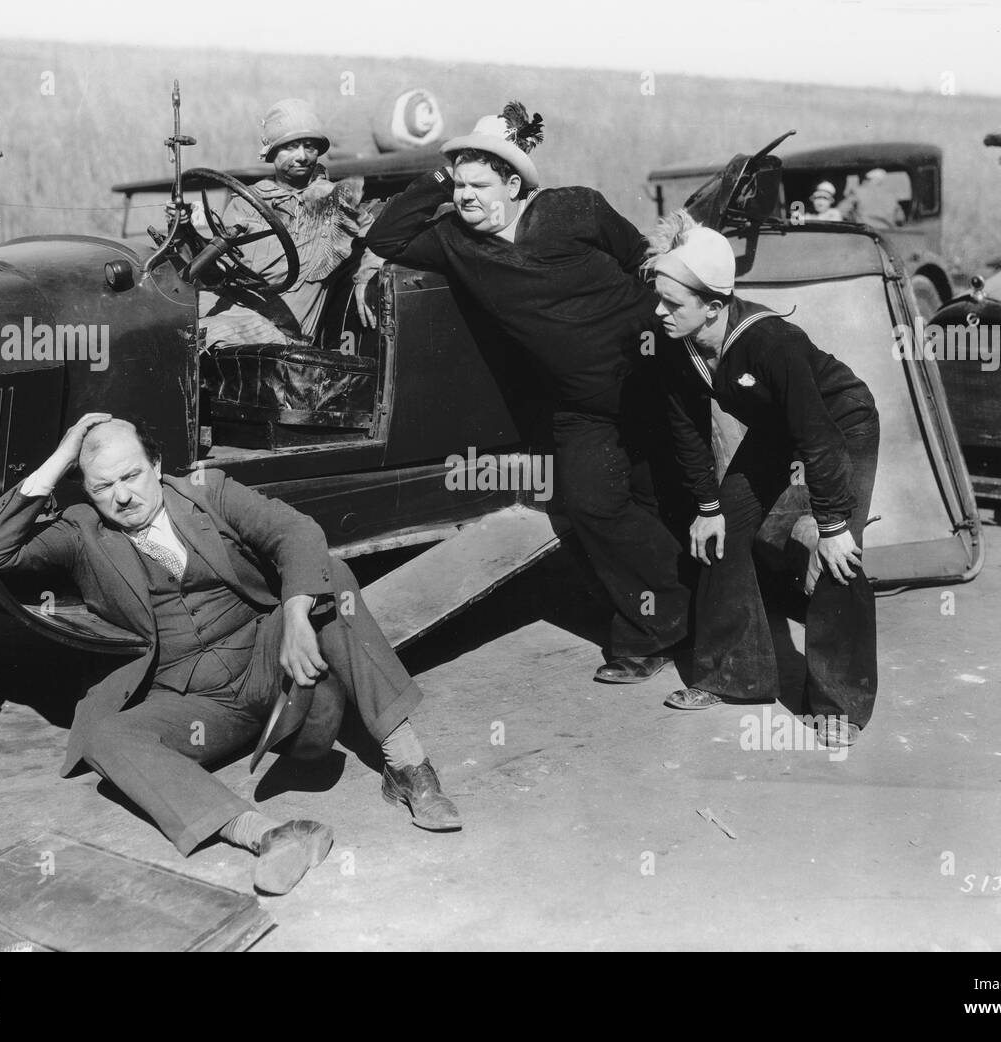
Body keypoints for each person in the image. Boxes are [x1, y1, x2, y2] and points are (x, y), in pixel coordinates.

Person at [0, 413, 461, 895]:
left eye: (131, 475)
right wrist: (62, 456)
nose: (122, 496)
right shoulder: (82, 532)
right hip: (194, 704)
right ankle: (268, 835)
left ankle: (408, 767)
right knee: (104, 736)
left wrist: (294, 618)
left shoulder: (209, 491)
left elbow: (297, 533)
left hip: (271, 670)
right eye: (103, 487)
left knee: (332, 578)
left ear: (157, 465)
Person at [365, 101, 690, 684]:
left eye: (479, 183)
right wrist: (445, 168)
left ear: (513, 184)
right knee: (593, 504)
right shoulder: (452, 240)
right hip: (580, 404)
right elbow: (386, 236)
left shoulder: (575, 208)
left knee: (671, 495)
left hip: (651, 379)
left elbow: (642, 259)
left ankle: (689, 610)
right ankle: (658, 627)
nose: (466, 196)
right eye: (458, 184)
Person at [649, 222, 880, 748]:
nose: (659, 313)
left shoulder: (773, 342)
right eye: (658, 301)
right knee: (722, 529)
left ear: (713, 305)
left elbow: (818, 437)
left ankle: (839, 702)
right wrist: (708, 506)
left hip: (841, 422)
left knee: (837, 555)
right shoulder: (674, 342)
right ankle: (733, 674)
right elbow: (686, 430)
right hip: (778, 427)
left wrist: (834, 524)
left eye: (671, 303)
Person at [201, 98, 371, 346]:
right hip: (235, 309)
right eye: (291, 147)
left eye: (310, 147)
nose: (302, 156)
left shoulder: (337, 200)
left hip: (283, 332)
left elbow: (382, 238)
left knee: (194, 337)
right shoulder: (246, 202)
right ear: (272, 153)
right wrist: (184, 230)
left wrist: (367, 277)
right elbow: (217, 273)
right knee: (169, 325)